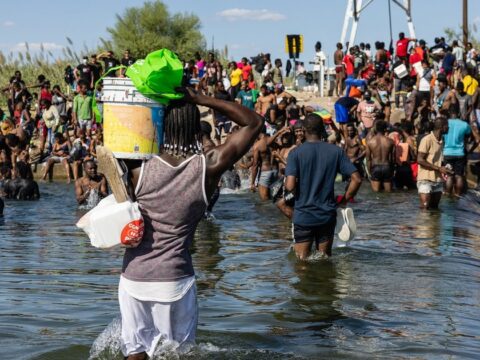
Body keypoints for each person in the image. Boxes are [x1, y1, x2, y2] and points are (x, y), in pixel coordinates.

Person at [119, 87, 262, 359]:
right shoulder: (207, 167)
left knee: (135, 354)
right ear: (196, 129)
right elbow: (254, 122)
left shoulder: (137, 165)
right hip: (175, 279)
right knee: (177, 354)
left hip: (133, 278)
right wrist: (202, 99)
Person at [284, 113, 362, 260]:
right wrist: (345, 199)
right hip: (327, 215)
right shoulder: (336, 151)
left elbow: (289, 186)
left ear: (304, 130)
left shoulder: (295, 153)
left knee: (302, 263)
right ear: (322, 130)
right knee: (324, 259)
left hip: (304, 215)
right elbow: (357, 179)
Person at [416, 117, 452, 209]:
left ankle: (434, 224)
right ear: (442, 127)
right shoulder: (427, 139)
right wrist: (439, 168)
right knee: (425, 208)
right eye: (447, 126)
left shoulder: (441, 140)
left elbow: (437, 159)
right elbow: (420, 160)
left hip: (437, 179)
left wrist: (445, 167)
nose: (448, 128)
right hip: (425, 178)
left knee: (435, 208)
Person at [443, 104, 472, 196]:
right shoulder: (464, 124)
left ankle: (447, 194)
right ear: (459, 113)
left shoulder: (444, 123)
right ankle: (458, 195)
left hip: (447, 153)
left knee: (449, 176)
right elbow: (468, 135)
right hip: (460, 153)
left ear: (449, 112)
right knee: (459, 176)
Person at [366, 120, 395, 192]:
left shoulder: (370, 142)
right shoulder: (390, 141)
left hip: (375, 167)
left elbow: (368, 159)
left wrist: (369, 171)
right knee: (388, 193)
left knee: (376, 193)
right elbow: (393, 158)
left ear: (375, 129)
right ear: (385, 129)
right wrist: (393, 170)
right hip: (387, 166)